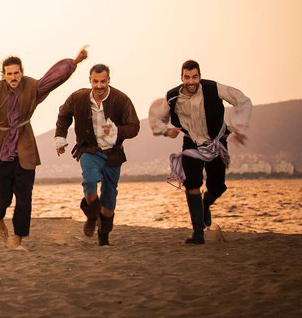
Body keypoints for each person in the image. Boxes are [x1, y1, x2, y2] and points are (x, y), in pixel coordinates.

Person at [0, 48, 87, 249]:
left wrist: (75, 61)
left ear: (21, 72)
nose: (13, 77)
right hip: (0, 152)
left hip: (24, 149)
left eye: (16, 73)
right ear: (3, 75)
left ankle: (17, 238)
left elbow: (54, 78)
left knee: (25, 197)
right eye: (9, 74)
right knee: (3, 200)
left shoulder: (32, 87)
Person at [149, 60, 252, 244]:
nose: (191, 81)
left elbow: (242, 100)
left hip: (216, 142)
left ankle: (205, 204)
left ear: (200, 77)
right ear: (181, 78)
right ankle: (198, 232)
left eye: (194, 77)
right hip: (191, 144)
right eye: (187, 77)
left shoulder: (213, 88)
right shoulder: (172, 97)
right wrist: (166, 130)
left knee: (218, 186)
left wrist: (239, 127)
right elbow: (157, 116)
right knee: (192, 183)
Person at [54, 64, 140, 246]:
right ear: (90, 81)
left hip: (113, 154)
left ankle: (104, 235)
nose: (99, 86)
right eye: (95, 81)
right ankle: (92, 216)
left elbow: (134, 126)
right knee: (90, 180)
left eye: (103, 81)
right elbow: (63, 115)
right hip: (89, 149)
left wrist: (116, 130)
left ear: (109, 80)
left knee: (109, 196)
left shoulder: (121, 99)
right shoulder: (78, 97)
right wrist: (60, 138)